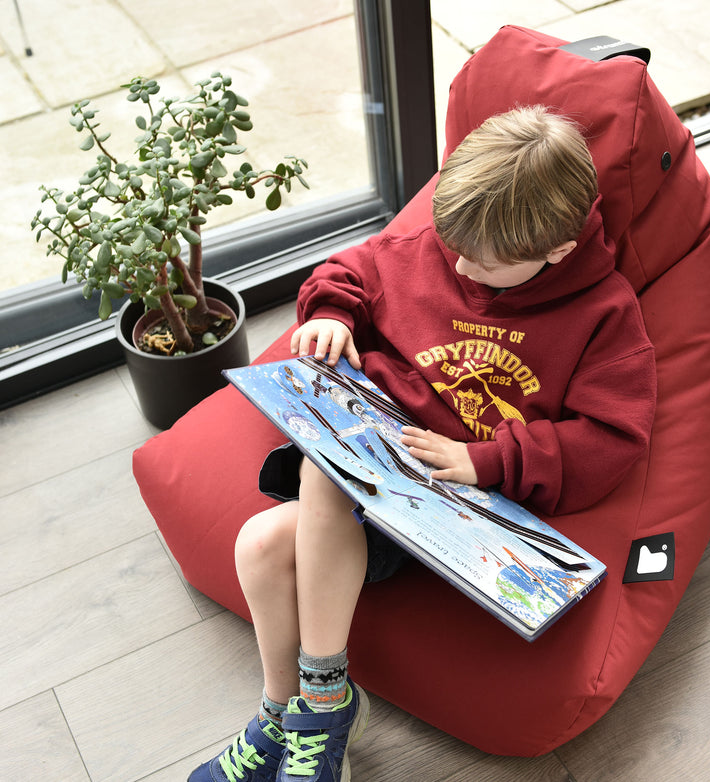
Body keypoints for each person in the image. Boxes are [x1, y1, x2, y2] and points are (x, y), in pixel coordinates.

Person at [188, 105, 656, 782]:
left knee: (324, 477)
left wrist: (484, 461)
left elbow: (612, 439)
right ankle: (283, 712)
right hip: (373, 480)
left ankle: (323, 702)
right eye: (452, 243)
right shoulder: (436, 249)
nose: (461, 265)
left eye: (486, 264)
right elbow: (348, 272)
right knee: (256, 545)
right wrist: (329, 317)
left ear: (557, 251)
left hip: (456, 516)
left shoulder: (603, 317)